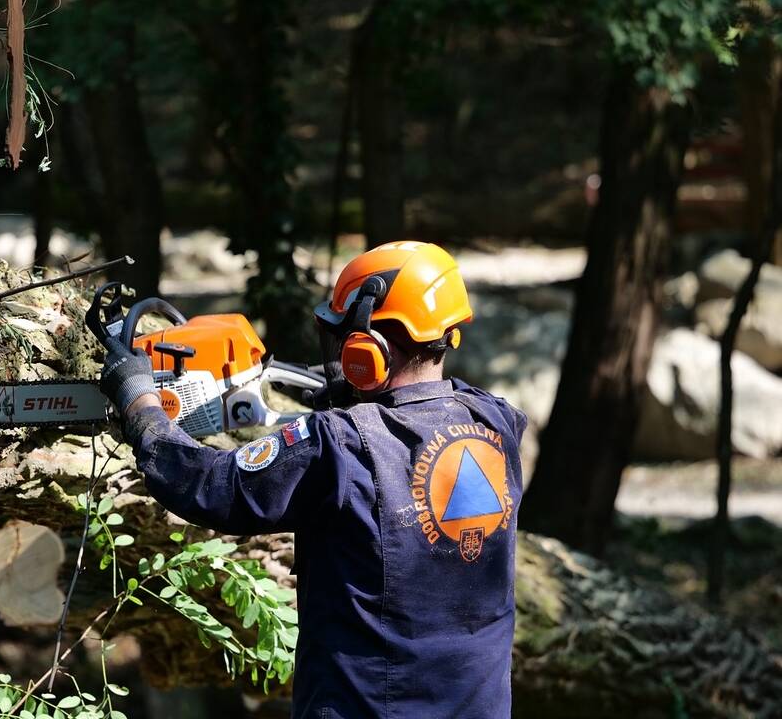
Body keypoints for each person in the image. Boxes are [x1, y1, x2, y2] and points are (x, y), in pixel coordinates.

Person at [99, 241, 527, 718]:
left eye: (346, 337)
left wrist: (141, 407)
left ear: (369, 346)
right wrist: (338, 388)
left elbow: (210, 487)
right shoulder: (496, 421)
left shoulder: (338, 445)